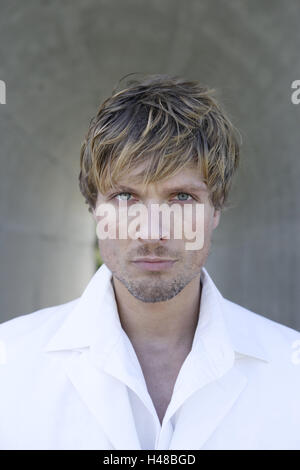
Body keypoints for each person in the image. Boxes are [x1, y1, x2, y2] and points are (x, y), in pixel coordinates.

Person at [0, 74, 299, 450]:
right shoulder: (9, 364)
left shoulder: (292, 372)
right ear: (94, 208)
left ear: (216, 209)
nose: (152, 232)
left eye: (182, 198)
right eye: (126, 197)